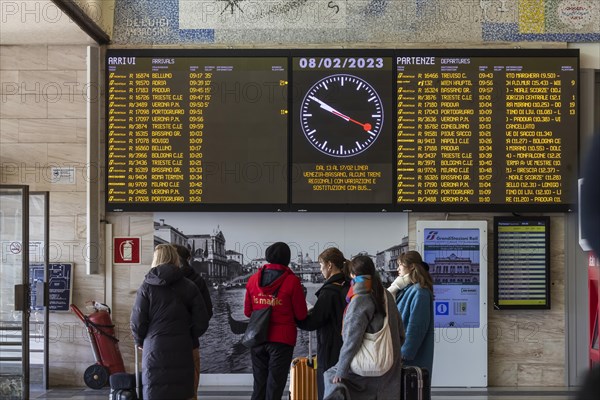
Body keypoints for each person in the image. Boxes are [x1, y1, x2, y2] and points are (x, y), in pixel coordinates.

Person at [130, 244, 210, 400]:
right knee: (183, 393)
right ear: (175, 259)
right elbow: (202, 321)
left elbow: (137, 321)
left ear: (155, 259)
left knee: (155, 392)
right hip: (183, 347)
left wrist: (140, 341)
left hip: (154, 348)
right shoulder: (189, 286)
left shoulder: (146, 286)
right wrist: (188, 335)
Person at [323, 255, 405, 400]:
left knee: (330, 376)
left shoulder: (359, 298)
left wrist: (341, 370)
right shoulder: (386, 295)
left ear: (352, 275)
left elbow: (351, 340)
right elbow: (401, 333)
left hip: (369, 373)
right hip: (391, 368)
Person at [244, 242, 308, 400]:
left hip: (258, 338)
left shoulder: (253, 280)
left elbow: (247, 312)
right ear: (287, 259)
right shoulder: (293, 282)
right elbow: (301, 315)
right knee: (275, 386)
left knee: (259, 385)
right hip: (281, 341)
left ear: (267, 257)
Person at [297, 247, 351, 400]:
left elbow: (312, 322)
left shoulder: (329, 292)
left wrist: (296, 315)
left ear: (330, 265)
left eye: (321, 265)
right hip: (347, 348)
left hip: (330, 349)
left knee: (327, 391)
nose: (320, 270)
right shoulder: (349, 286)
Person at [173, 244, 213, 398]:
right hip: (190, 342)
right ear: (188, 258)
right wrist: (190, 333)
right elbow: (206, 314)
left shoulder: (155, 281)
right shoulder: (198, 280)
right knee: (190, 390)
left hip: (160, 345)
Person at [394, 251, 435, 376]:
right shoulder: (409, 289)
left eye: (400, 265)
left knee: (413, 390)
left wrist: (404, 354)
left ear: (411, 266)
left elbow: (416, 327)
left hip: (410, 357)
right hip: (403, 352)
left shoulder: (419, 292)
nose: (397, 269)